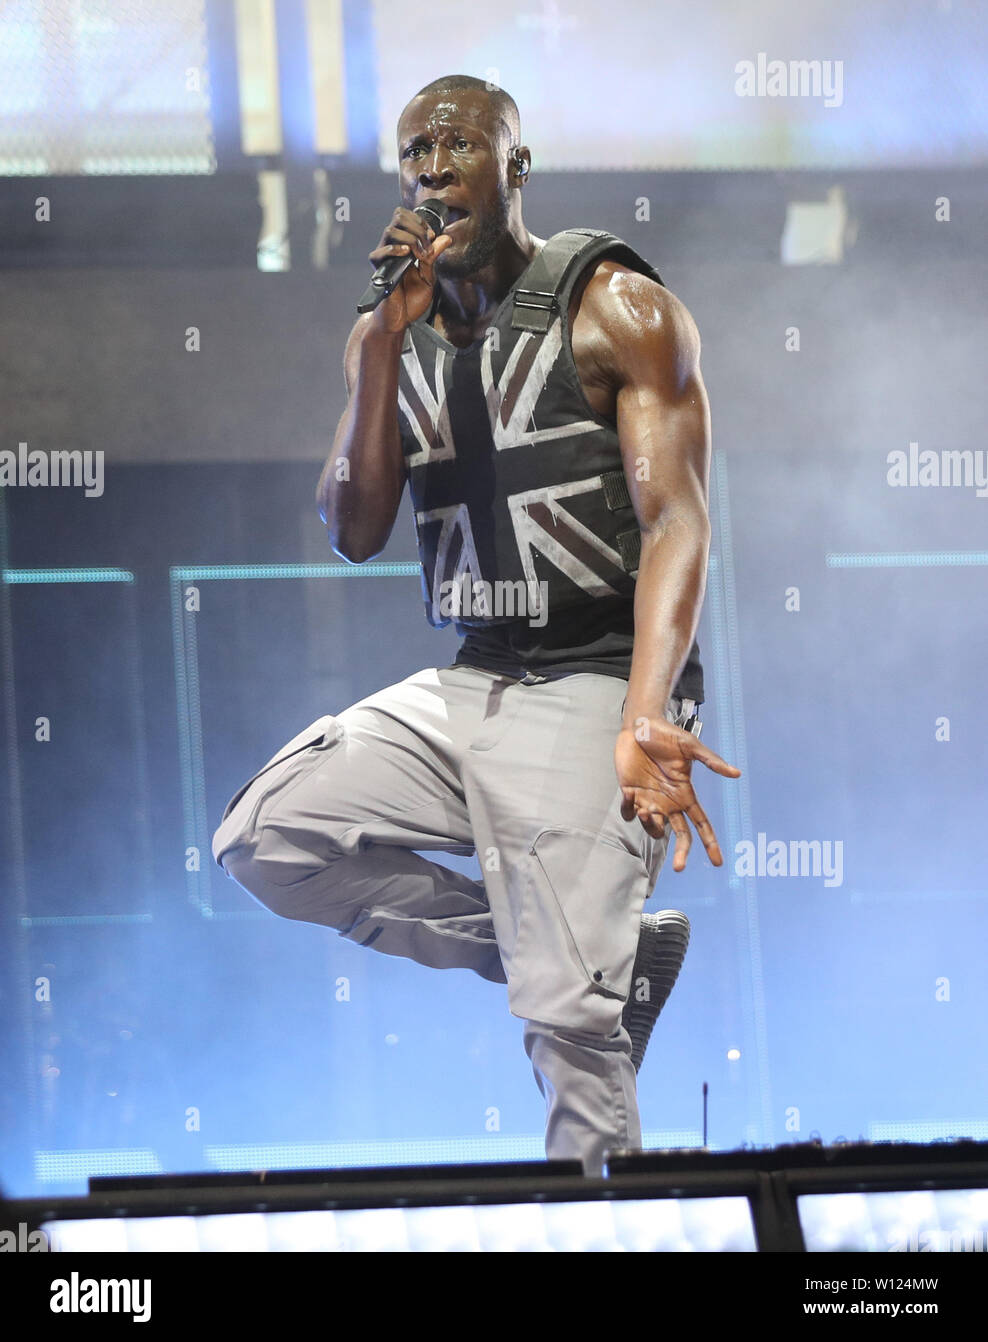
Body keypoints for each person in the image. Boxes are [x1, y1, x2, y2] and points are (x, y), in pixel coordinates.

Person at [212, 75, 740, 1176]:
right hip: (476, 678)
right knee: (267, 837)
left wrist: (648, 711)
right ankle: (587, 955)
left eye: (460, 143)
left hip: (598, 679)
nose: (433, 163)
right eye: (415, 149)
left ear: (515, 167)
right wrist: (372, 351)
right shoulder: (390, 334)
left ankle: (595, 1214)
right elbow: (353, 528)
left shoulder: (616, 308)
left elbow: (677, 521)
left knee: (567, 1030)